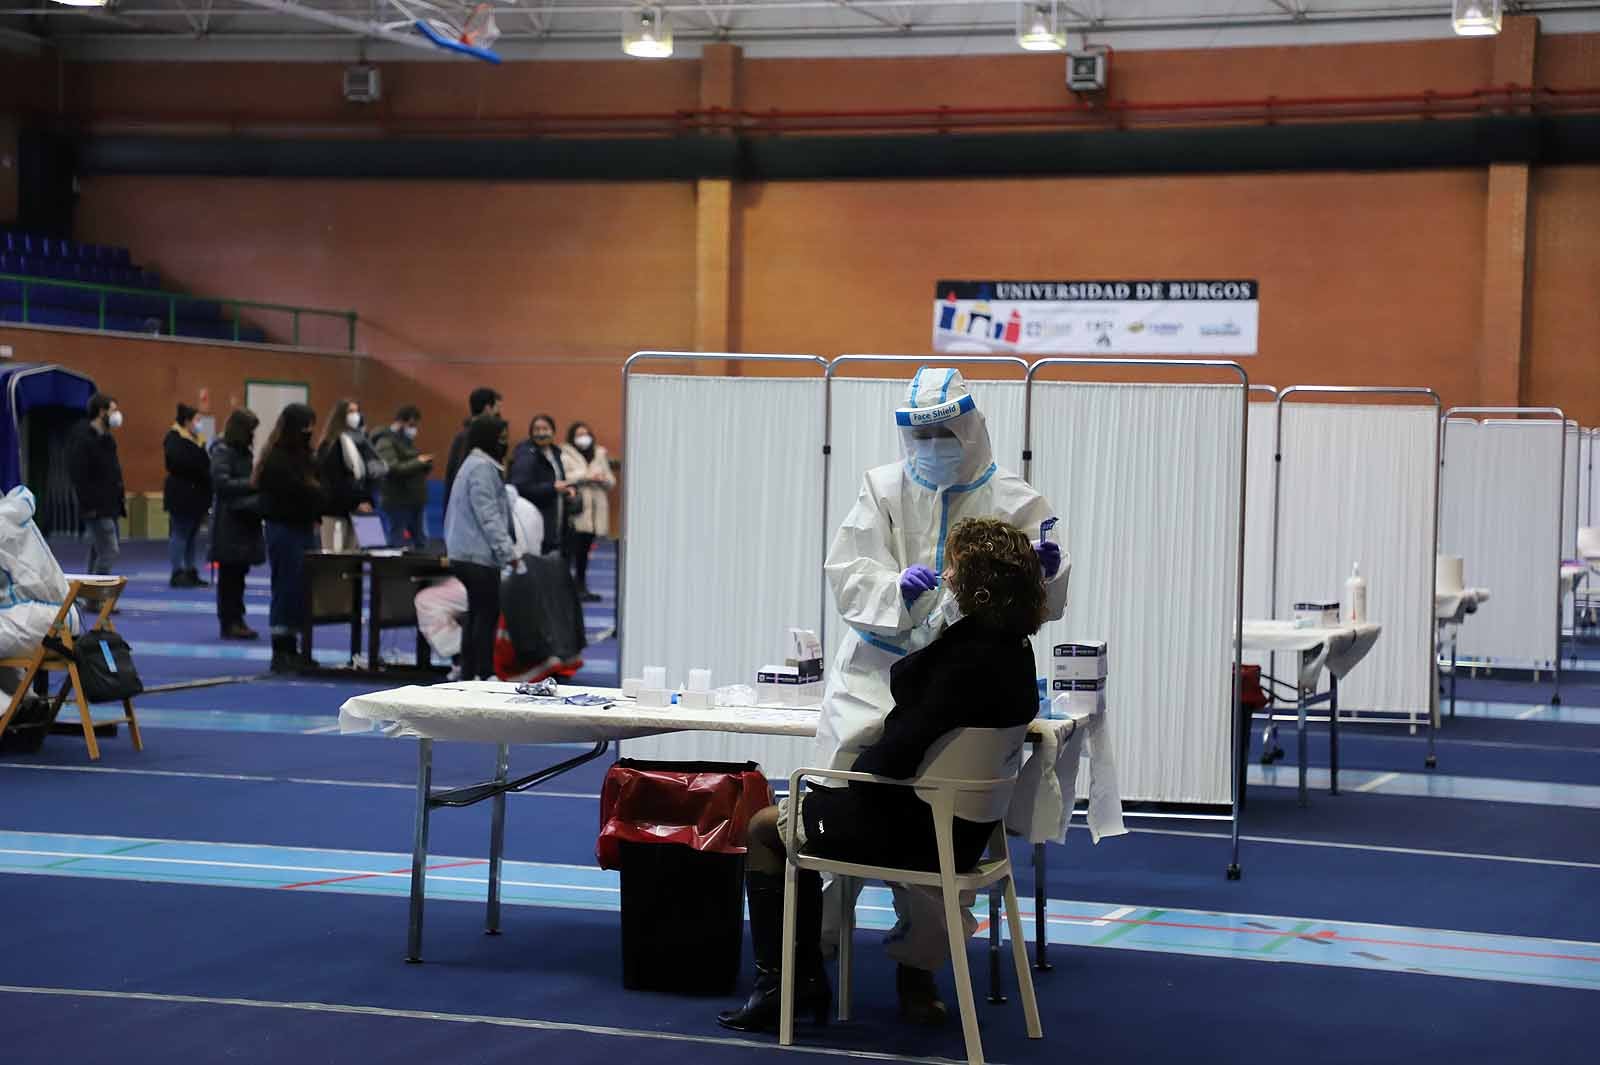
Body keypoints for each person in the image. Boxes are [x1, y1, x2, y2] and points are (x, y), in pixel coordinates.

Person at [718, 518, 1047, 1034]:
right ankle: (802, 978)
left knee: (764, 825)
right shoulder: (1018, 655)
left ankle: (784, 983)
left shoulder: (963, 658)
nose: (948, 579)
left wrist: (846, 782)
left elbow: (893, 758)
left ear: (976, 584)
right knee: (810, 809)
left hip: (913, 834)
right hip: (969, 836)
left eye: (955, 569)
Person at [815, 367, 1069, 1024]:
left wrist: (1049, 574)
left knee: (934, 831)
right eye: (919, 432)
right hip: (873, 678)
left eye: (942, 430)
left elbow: (1051, 583)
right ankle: (812, 954)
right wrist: (893, 587)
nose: (931, 443)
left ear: (969, 427)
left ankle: (917, 969)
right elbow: (847, 574)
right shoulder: (883, 488)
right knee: (835, 812)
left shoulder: (1016, 501)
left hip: (956, 691)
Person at [415, 484, 542, 678]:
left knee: (427, 599)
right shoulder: (529, 508)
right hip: (523, 578)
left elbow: (502, 550)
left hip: (502, 579)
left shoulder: (493, 510)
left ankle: (463, 656)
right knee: (443, 583)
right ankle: (471, 656)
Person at [443, 414, 517, 682]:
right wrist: (508, 552)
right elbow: (489, 516)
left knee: (475, 613)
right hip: (477, 555)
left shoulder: (474, 465)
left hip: (468, 552)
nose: (505, 443)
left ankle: (470, 671)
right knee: (485, 614)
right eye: (502, 438)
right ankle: (483, 673)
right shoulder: (481, 469)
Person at [255, 403, 323, 673]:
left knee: (302, 591)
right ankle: (280, 650)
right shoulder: (277, 458)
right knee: (285, 587)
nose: (310, 432)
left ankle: (296, 647)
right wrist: (314, 495)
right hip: (284, 530)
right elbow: (298, 492)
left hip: (303, 528)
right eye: (306, 426)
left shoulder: (304, 456)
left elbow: (316, 488)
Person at [209, 409, 264, 641]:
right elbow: (221, 483)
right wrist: (252, 484)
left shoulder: (243, 452)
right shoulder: (223, 451)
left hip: (244, 519)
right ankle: (229, 621)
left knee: (239, 575)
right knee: (230, 577)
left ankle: (237, 619)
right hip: (229, 521)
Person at [65, 392, 126, 576]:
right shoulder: (83, 439)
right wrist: (90, 504)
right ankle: (98, 598)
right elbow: (79, 475)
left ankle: (90, 595)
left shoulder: (107, 439)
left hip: (110, 504)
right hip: (96, 507)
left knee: (98, 550)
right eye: (113, 410)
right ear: (102, 412)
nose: (117, 415)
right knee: (109, 551)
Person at [315, 398, 383, 552]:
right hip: (336, 511)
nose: (356, 415)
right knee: (335, 560)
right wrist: (356, 502)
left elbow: (369, 475)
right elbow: (333, 480)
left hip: (361, 511)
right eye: (351, 412)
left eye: (357, 411)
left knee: (358, 562)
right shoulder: (330, 444)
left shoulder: (362, 443)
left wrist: (368, 501)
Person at [560, 421, 616, 602]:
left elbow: (611, 481)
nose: (583, 438)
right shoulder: (565, 455)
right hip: (577, 509)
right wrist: (585, 477)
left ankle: (581, 586)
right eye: (579, 434)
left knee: (585, 552)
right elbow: (564, 478)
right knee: (570, 551)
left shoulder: (599, 454)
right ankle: (565, 589)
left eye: (586, 433)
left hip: (595, 511)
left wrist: (602, 479)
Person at [509, 413, 575, 557]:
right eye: (536, 429)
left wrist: (567, 490)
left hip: (556, 519)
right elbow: (520, 487)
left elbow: (559, 480)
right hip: (535, 522)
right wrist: (551, 488)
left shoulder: (556, 453)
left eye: (545, 429)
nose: (541, 433)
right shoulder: (525, 455)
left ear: (553, 431)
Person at [163, 403, 213, 588]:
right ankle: (177, 572)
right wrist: (201, 468)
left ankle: (191, 570)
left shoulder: (198, 439)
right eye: (197, 420)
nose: (199, 423)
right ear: (187, 421)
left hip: (197, 495)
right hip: (181, 494)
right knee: (180, 533)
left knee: (192, 535)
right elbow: (178, 463)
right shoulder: (174, 438)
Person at [371, 405, 434, 549]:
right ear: (401, 422)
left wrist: (423, 465)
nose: (414, 429)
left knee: (422, 542)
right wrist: (418, 462)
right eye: (411, 425)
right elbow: (392, 468)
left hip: (414, 499)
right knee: (396, 542)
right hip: (397, 500)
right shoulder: (385, 441)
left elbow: (407, 464)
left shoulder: (405, 441)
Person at [442, 387, 502, 518]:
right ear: (487, 408)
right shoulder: (471, 438)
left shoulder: (462, 436)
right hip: (472, 512)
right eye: (496, 408)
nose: (498, 413)